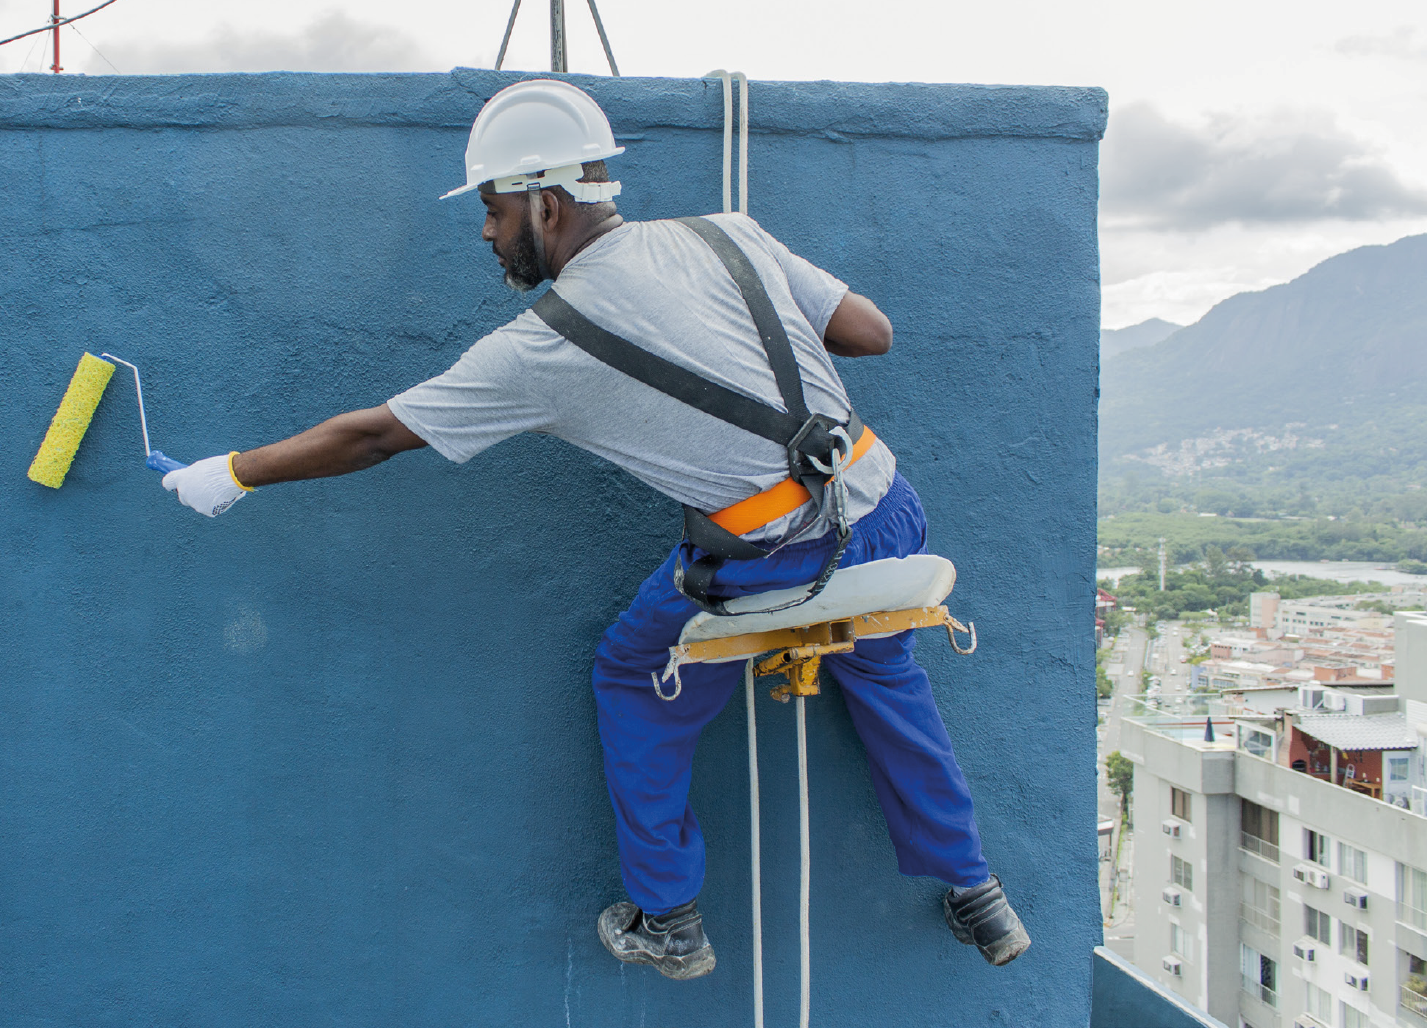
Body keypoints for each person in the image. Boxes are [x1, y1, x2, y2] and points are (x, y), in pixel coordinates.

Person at [160, 79, 1030, 976]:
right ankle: (978, 893)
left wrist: (228, 474)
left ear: (546, 200)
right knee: (882, 664)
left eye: (494, 211)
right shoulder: (729, 232)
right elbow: (870, 333)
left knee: (631, 670)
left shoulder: (542, 347)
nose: (489, 233)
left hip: (775, 562)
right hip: (883, 510)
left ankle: (670, 917)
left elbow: (376, 436)